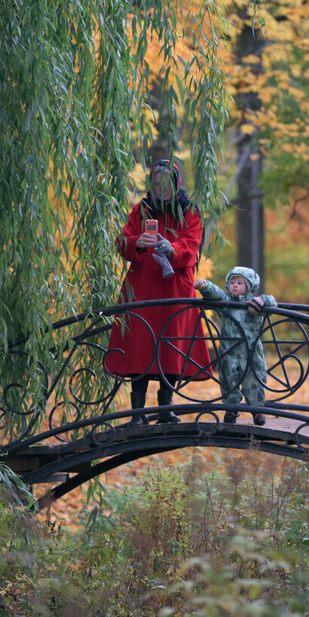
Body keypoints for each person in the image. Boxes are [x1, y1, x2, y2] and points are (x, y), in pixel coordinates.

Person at [105, 160, 211, 424]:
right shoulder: (140, 210)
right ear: (151, 185)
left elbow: (191, 245)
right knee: (139, 345)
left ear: (176, 185)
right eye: (156, 183)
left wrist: (169, 248)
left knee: (171, 344)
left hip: (175, 288)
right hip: (142, 288)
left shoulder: (190, 212)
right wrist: (136, 243)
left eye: (165, 184)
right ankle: (137, 413)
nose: (160, 188)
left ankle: (165, 408)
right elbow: (123, 241)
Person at [194, 266, 276, 425]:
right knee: (228, 379)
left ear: (250, 287)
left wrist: (261, 301)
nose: (235, 285)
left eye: (240, 282)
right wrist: (205, 286)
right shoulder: (225, 301)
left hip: (250, 352)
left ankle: (257, 409)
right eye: (232, 282)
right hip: (228, 352)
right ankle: (231, 408)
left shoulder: (254, 305)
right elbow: (215, 293)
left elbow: (272, 302)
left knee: (253, 379)